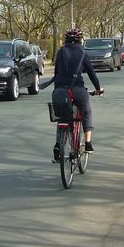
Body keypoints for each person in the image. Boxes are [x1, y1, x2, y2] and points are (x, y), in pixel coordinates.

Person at [51, 27, 103, 160]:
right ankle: (88, 143)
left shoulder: (60, 51)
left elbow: (56, 73)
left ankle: (58, 144)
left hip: (61, 90)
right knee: (86, 112)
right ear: (80, 40)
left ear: (66, 39)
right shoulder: (82, 53)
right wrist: (98, 89)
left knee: (62, 117)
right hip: (78, 89)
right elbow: (91, 73)